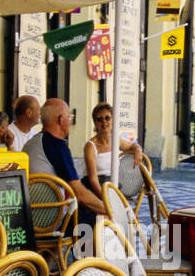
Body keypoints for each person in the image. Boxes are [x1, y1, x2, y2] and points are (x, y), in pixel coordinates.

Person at [24, 97, 106, 232]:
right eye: (69, 117)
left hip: (31, 218)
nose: (70, 121)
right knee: (97, 217)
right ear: (61, 120)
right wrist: (107, 209)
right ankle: (90, 254)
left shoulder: (33, 142)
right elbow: (79, 193)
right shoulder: (57, 146)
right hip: (50, 220)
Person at [83, 101, 145, 200]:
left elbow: (133, 146)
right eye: (99, 119)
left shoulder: (116, 140)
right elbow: (93, 180)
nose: (104, 122)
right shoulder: (90, 146)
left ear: (112, 120)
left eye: (107, 118)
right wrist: (106, 201)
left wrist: (138, 150)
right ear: (95, 123)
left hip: (114, 186)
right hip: (95, 190)